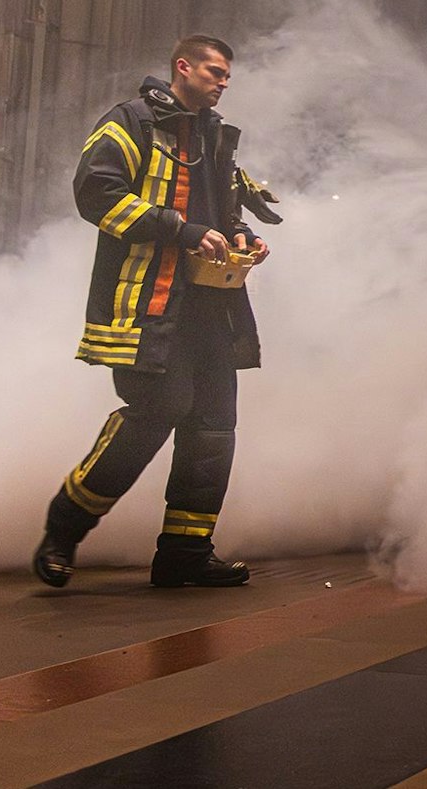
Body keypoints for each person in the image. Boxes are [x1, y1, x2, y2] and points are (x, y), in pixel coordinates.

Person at [31, 34, 279, 588]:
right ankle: (63, 531)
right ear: (182, 67)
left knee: (214, 427)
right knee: (154, 413)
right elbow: (95, 192)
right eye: (214, 72)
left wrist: (241, 236)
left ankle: (184, 555)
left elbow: (226, 207)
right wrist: (182, 230)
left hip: (211, 309)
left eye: (227, 76)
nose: (222, 83)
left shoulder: (216, 138)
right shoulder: (130, 122)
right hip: (149, 305)